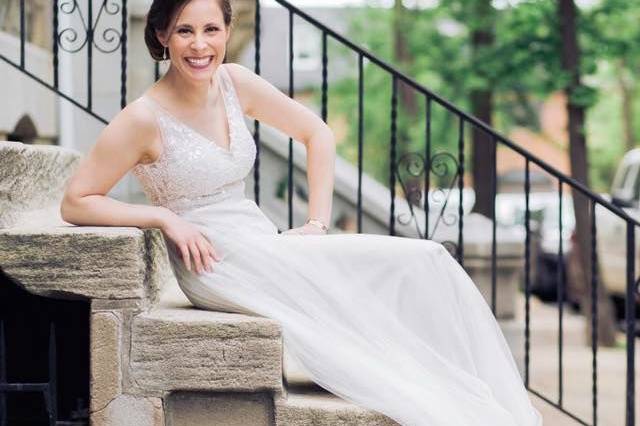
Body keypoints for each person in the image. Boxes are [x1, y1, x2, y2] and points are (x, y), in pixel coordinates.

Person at [60, 0, 543, 424]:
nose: (199, 45)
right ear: (162, 34)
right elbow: (76, 200)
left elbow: (318, 134)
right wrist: (165, 218)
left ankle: (477, 397)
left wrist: (316, 223)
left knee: (428, 260)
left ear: (227, 31)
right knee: (417, 262)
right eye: (185, 31)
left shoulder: (233, 83)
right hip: (216, 261)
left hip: (264, 240)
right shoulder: (143, 117)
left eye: (211, 30)